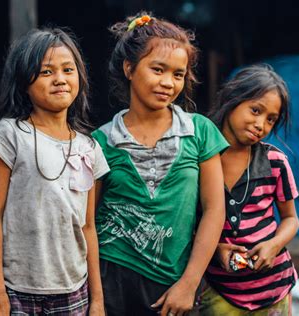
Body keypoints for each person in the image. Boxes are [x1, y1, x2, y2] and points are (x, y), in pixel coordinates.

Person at [92, 12, 228, 316]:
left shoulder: (199, 131)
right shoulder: (101, 142)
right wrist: (96, 299)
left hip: (172, 284)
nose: (168, 82)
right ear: (129, 68)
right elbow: (87, 223)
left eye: (178, 75)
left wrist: (189, 283)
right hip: (111, 277)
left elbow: (214, 211)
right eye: (157, 69)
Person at [0, 27, 109, 316]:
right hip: (17, 290)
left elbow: (88, 227)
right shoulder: (11, 135)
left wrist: (97, 300)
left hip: (73, 290)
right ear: (24, 82)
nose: (60, 79)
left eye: (67, 69)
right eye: (46, 72)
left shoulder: (89, 147)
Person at [199, 64, 299, 315]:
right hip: (221, 290)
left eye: (270, 120)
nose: (260, 125)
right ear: (232, 100)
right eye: (255, 111)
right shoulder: (196, 160)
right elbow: (186, 223)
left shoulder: (275, 162)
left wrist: (275, 244)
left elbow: (291, 219)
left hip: (275, 289)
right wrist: (216, 250)